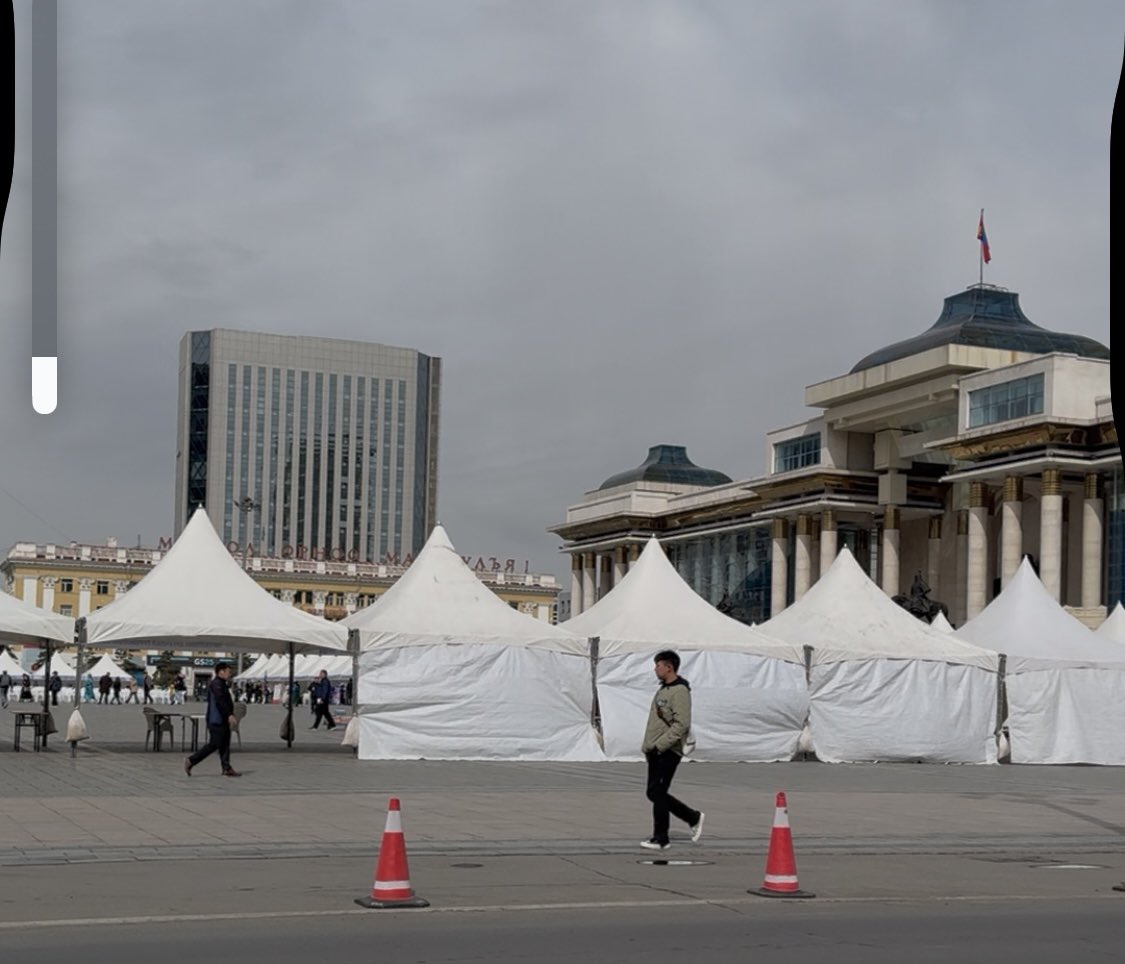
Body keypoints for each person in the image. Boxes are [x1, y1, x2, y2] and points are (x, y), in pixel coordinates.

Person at [639, 650, 704, 851]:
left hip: (667, 750)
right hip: (655, 750)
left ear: (669, 667)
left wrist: (661, 745)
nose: (655, 669)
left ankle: (661, 838)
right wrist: (649, 746)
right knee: (654, 792)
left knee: (657, 792)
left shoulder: (680, 691)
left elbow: (681, 723)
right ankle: (691, 816)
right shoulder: (663, 690)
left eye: (658, 665)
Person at [184, 661, 240, 778]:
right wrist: (229, 714)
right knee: (214, 744)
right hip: (217, 719)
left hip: (222, 719)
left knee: (225, 744)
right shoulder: (216, 684)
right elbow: (220, 701)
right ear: (221, 672)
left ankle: (226, 768)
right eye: (228, 672)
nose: (230, 674)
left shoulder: (222, 683)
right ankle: (192, 760)